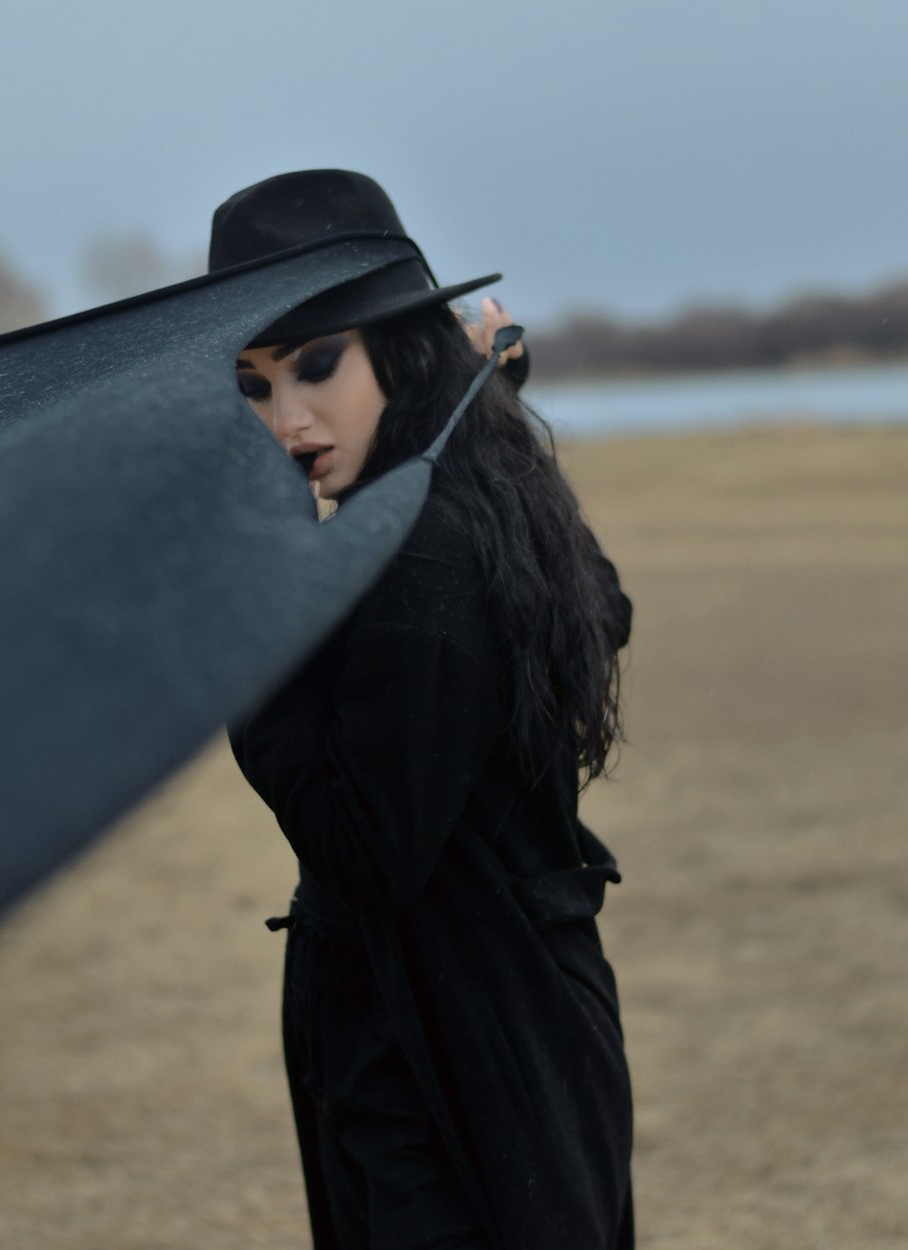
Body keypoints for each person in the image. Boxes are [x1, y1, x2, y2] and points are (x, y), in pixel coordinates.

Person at [219, 170, 634, 1250]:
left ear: (402, 349)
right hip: (523, 1007)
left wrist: (246, 653)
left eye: (318, 364)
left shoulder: (417, 556)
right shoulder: (482, 491)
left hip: (443, 1051)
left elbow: (368, 852)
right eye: (252, 384)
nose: (287, 418)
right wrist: (486, 398)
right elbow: (610, 604)